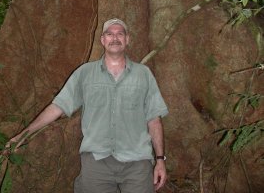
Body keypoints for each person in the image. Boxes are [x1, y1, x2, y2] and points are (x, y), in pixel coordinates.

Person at [9, 18, 169, 192]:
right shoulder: (85, 73)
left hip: (137, 162)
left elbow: (154, 119)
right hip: (97, 162)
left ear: (127, 39)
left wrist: (160, 159)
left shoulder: (143, 74)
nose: (114, 38)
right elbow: (58, 107)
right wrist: (24, 134)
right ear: (102, 40)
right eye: (109, 34)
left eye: (120, 34)